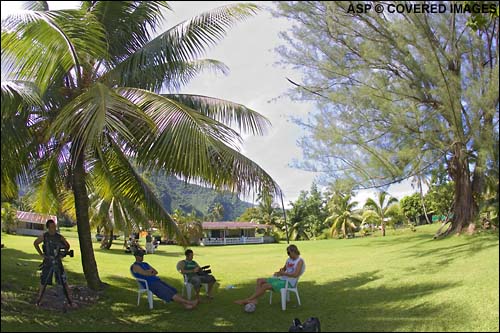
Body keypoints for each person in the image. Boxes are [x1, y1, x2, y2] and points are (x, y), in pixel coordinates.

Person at [234, 244, 305, 306]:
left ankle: (247, 300)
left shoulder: (299, 261)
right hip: (282, 279)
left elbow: (295, 274)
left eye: (289, 253)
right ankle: (254, 300)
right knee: (259, 280)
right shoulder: (289, 259)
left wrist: (284, 273)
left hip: (289, 283)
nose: (288, 254)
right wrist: (279, 272)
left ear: (293, 252)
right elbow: (284, 269)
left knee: (265, 286)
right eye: (287, 253)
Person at [130, 249, 198, 310]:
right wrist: (150, 271)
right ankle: (189, 302)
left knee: (172, 290)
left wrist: (150, 272)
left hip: (157, 280)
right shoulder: (135, 266)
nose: (142, 257)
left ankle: (185, 305)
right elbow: (145, 273)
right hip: (150, 284)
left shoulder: (145, 264)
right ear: (136, 256)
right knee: (168, 293)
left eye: (142, 255)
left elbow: (155, 272)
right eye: (140, 256)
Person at [33, 219, 74, 307]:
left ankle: (70, 301)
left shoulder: (59, 237)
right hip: (47, 261)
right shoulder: (45, 236)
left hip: (57, 261)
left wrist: (62, 254)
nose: (54, 228)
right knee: (44, 282)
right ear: (48, 228)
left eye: (54, 226)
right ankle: (38, 300)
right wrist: (41, 254)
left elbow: (67, 245)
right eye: (51, 227)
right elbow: (36, 243)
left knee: (63, 281)